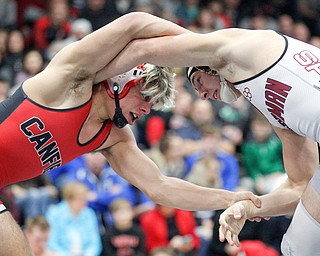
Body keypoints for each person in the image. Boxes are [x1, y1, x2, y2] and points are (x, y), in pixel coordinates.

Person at [0, 12, 260, 256]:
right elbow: (134, 24)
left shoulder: (114, 137)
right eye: (146, 97)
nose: (147, 109)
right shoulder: (70, 82)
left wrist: (230, 197)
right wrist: (207, 52)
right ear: (125, 81)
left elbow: (161, 186)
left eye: (153, 105)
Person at [100, 15, 320, 255]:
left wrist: (92, 76)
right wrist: (248, 208)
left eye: (198, 81)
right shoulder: (271, 110)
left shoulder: (240, 47)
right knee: (295, 248)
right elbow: (300, 187)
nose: (202, 95)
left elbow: (142, 41)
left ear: (208, 65)